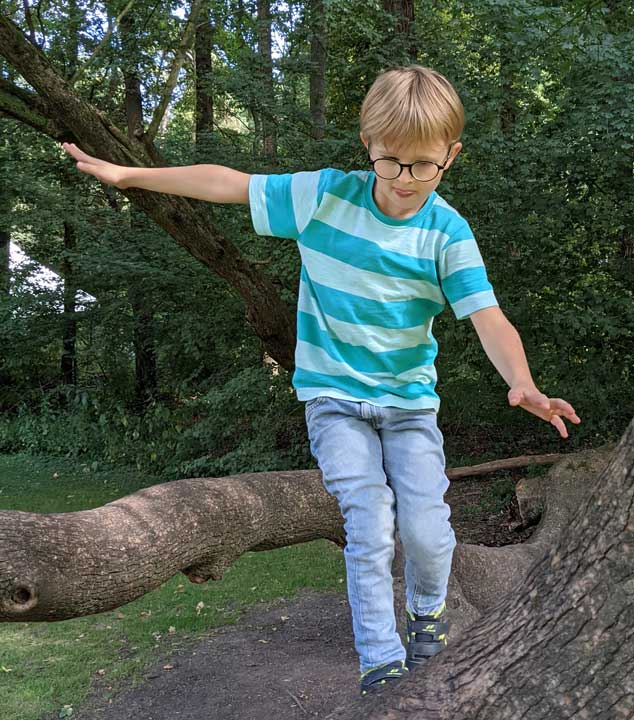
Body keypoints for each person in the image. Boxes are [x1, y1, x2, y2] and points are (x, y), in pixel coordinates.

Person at [61, 64, 581, 697]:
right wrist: (127, 174)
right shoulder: (326, 196)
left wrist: (522, 382)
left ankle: (428, 611)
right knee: (367, 518)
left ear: (451, 155)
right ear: (369, 146)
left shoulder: (447, 232)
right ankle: (379, 659)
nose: (405, 181)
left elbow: (488, 317)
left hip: (409, 404)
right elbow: (229, 183)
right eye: (391, 162)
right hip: (333, 400)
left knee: (424, 528)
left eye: (424, 165)